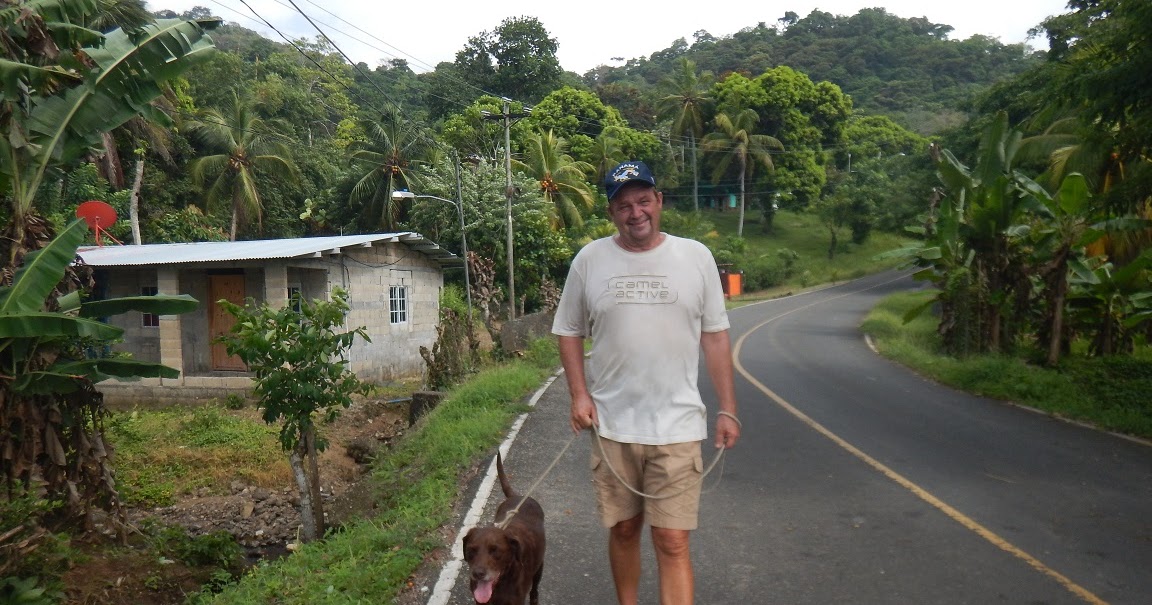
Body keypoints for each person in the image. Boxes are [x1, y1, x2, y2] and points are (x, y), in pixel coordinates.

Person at [551, 160, 740, 605]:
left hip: (678, 425)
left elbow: (714, 336)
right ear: (610, 213)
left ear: (659, 201)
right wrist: (579, 394)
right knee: (623, 529)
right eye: (623, 205)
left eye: (642, 201)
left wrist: (728, 407)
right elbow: (568, 330)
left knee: (672, 540)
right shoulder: (590, 260)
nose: (635, 213)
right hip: (613, 424)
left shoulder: (696, 257)